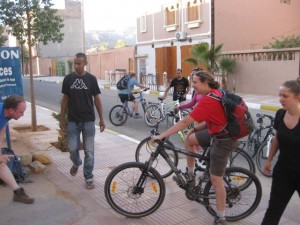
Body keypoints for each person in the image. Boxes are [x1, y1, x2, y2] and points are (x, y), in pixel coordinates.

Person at [152, 70, 237, 225]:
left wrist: (162, 135)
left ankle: (221, 217)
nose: (193, 86)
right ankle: (190, 175)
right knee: (189, 139)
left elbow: (184, 122)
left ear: (205, 83)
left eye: (195, 82)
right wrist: (196, 129)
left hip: (224, 139)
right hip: (216, 131)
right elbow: (214, 118)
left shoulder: (209, 99)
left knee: (215, 179)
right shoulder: (214, 94)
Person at [60, 53, 105, 190]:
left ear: (85, 64)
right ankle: (76, 163)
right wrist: (62, 118)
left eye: (79, 63)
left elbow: (97, 99)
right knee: (72, 148)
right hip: (73, 120)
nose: (76, 66)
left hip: (88, 121)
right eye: (75, 63)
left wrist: (101, 118)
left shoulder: (91, 79)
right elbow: (65, 99)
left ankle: (89, 177)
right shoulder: (68, 79)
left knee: (89, 152)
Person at [261, 78, 300, 225]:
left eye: (285, 96)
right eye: (279, 95)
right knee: (273, 211)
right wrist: (269, 159)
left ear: (298, 97)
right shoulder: (280, 114)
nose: (280, 99)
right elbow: (277, 138)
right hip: (283, 172)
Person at [0, 95, 35, 204]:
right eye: (21, 112)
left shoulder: (6, 116)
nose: (23, 115)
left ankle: (17, 192)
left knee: (1, 163)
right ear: (11, 110)